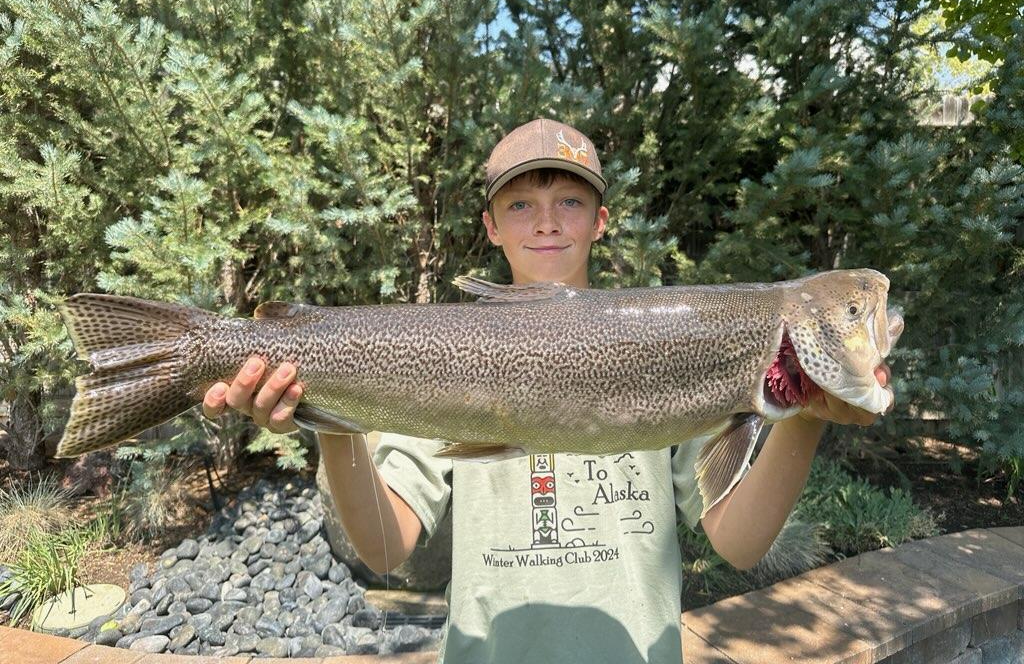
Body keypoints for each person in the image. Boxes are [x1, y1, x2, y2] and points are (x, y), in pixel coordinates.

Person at [202, 118, 891, 663]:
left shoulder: (672, 345)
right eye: (521, 203)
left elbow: (739, 546)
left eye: (570, 200)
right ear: (491, 227)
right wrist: (332, 419)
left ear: (600, 220)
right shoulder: (447, 360)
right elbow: (386, 549)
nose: (547, 220)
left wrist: (805, 418)